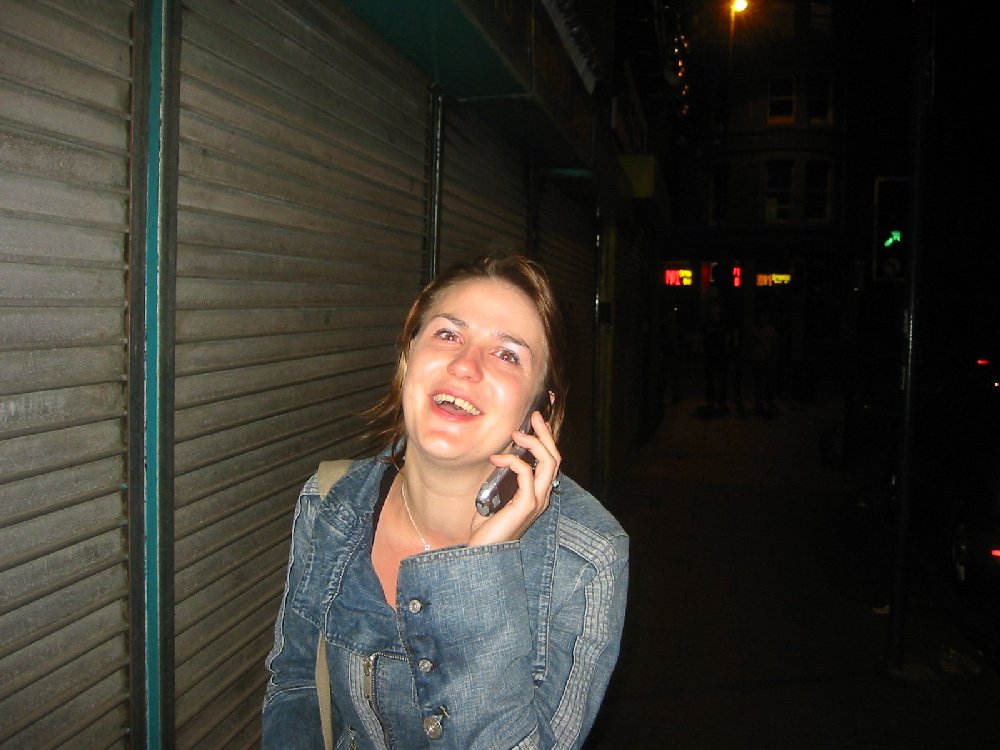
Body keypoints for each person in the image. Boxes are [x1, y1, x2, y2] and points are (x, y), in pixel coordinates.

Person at [262, 254, 629, 749]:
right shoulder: (331, 501)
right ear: (408, 356)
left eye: (507, 355)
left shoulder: (587, 558)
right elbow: (297, 686)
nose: (464, 366)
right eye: (448, 334)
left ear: (539, 410)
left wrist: (480, 570)